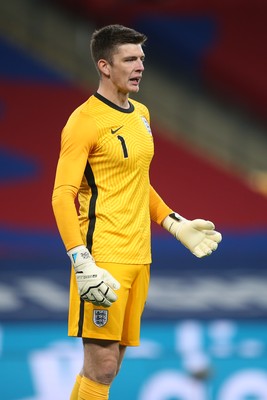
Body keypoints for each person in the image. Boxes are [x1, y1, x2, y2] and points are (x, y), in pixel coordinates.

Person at [52, 24, 222, 400]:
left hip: (139, 256)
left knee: (110, 366)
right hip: (103, 257)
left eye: (141, 58)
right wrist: (81, 260)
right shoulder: (84, 122)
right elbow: (61, 195)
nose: (140, 66)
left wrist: (173, 223)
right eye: (129, 59)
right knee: (103, 365)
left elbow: (136, 181)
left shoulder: (141, 113)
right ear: (105, 66)